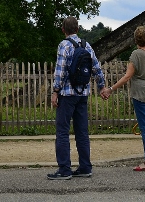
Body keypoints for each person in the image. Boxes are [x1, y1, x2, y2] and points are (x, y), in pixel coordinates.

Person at [47, 16, 109, 180]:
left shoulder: (64, 45)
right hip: (83, 94)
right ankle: (85, 167)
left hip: (67, 95)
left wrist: (55, 91)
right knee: (82, 132)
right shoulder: (86, 45)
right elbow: (96, 67)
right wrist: (102, 86)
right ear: (78, 29)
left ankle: (64, 169)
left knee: (62, 132)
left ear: (63, 30)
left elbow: (60, 72)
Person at [103, 25, 145, 171]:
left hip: (140, 93)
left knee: (144, 127)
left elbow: (127, 76)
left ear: (135, 39)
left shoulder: (136, 54)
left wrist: (111, 89)